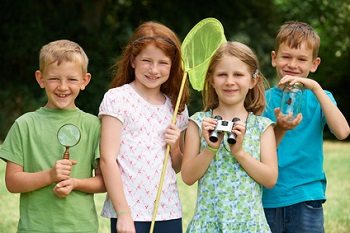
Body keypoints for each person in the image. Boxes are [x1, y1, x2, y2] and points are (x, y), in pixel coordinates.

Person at [0, 39, 105, 233]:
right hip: (34, 229)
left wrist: (76, 183)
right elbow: (12, 183)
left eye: (72, 79)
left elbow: (103, 181)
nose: (63, 87)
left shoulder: (94, 126)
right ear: (40, 79)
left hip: (81, 228)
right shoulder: (24, 125)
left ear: (85, 80)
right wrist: (50, 176)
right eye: (54, 78)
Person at [98, 21, 190, 233]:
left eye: (163, 63)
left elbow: (176, 166)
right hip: (129, 213)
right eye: (146, 60)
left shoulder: (177, 108)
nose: (154, 70)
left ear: (173, 65)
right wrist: (123, 214)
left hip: (168, 211)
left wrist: (175, 145)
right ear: (132, 60)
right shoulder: (118, 99)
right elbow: (107, 159)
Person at [262, 21, 350, 233]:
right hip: (268, 197)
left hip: (307, 196)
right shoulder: (262, 101)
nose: (293, 64)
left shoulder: (321, 98)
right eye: (286, 57)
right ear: (274, 58)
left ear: (314, 64)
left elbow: (342, 132)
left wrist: (316, 88)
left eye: (302, 59)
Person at [181, 41, 278, 232]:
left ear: (252, 81)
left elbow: (270, 179)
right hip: (209, 223)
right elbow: (188, 177)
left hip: (249, 224)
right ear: (211, 79)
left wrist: (239, 152)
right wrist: (210, 148)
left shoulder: (262, 127)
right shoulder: (198, 122)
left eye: (238, 75)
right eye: (222, 74)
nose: (230, 81)